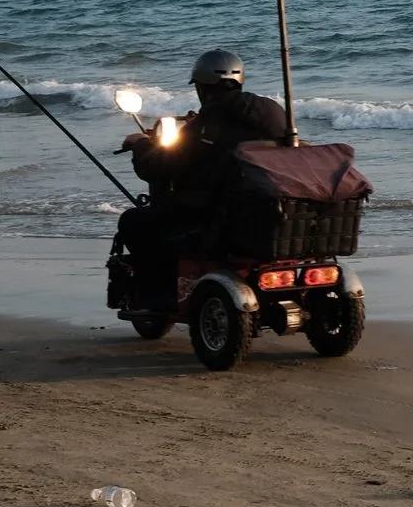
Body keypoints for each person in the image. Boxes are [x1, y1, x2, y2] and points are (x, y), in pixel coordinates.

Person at [115, 50, 291, 314]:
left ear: (202, 86)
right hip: (270, 210)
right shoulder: (274, 113)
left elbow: (157, 167)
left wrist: (141, 146)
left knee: (134, 222)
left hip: (215, 214)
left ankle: (156, 296)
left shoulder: (207, 122)